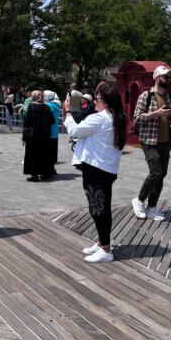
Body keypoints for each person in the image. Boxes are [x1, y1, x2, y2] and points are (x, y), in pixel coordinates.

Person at [64, 84, 127, 263]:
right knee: (101, 206)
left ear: (106, 101)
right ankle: (101, 242)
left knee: (98, 208)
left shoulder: (100, 118)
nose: (95, 102)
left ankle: (106, 249)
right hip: (106, 168)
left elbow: (75, 130)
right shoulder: (115, 116)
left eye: (98, 99)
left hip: (96, 169)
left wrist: (68, 112)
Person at [131, 66, 171, 221]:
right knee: (156, 172)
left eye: (169, 77)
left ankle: (152, 207)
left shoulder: (168, 97)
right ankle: (139, 200)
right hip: (149, 140)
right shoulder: (146, 96)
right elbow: (137, 118)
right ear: (157, 78)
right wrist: (155, 113)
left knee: (161, 175)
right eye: (166, 77)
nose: (168, 80)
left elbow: (169, 119)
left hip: (164, 140)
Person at [23, 90, 55, 181]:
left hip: (33, 135)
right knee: (44, 154)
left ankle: (34, 175)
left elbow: (27, 122)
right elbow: (52, 121)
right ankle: (45, 174)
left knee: (33, 154)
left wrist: (25, 136)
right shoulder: (47, 108)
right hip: (45, 135)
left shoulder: (31, 107)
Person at [44, 90, 61, 169]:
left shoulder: (48, 105)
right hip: (55, 129)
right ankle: (53, 162)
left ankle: (50, 166)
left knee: (48, 148)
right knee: (54, 147)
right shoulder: (56, 105)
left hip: (49, 129)